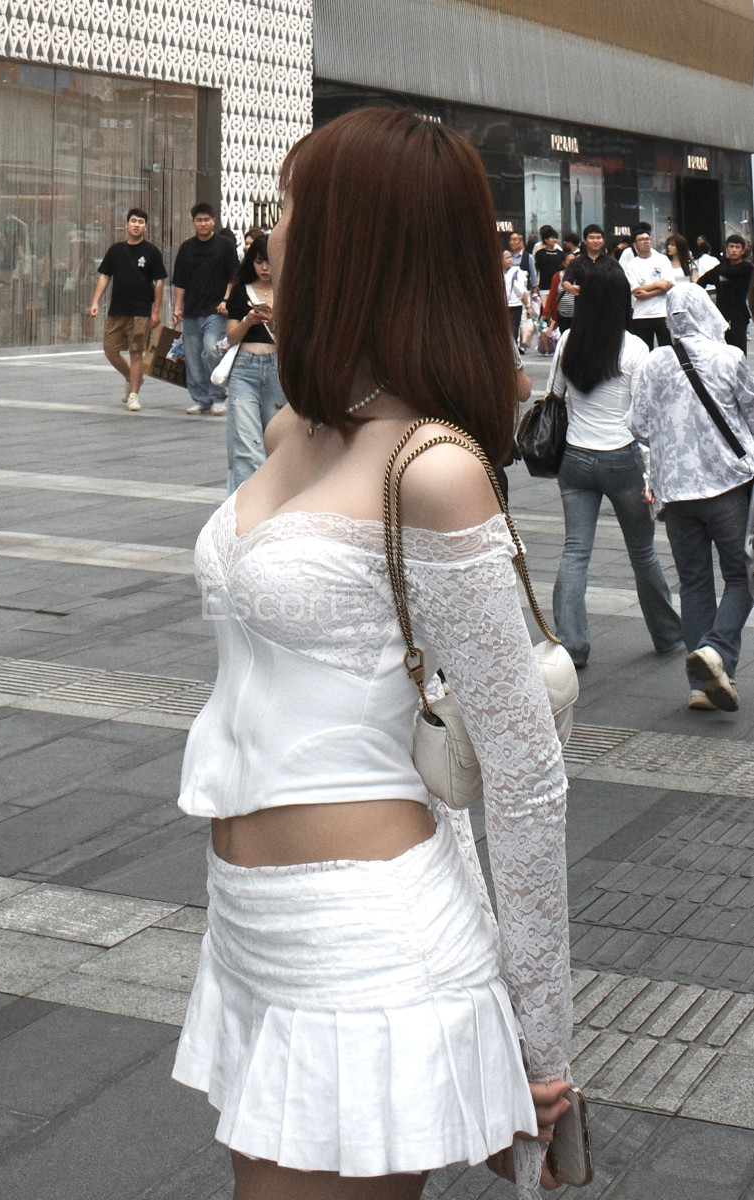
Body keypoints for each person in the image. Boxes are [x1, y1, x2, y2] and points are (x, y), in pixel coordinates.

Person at [172, 107, 571, 1200]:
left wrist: (539, 1043)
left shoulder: (435, 470)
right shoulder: (299, 425)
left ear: (358, 238)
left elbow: (526, 778)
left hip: (368, 944)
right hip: (249, 922)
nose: (272, 232)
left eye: (291, 208)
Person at [628, 284, 754, 711]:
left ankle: (701, 687)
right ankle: (717, 650)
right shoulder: (729, 357)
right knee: (743, 575)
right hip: (727, 486)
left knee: (695, 583)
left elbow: (638, 425)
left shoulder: (656, 361)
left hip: (676, 492)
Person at [548, 266, 682, 667]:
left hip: (575, 458)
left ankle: (572, 644)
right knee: (642, 552)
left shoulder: (568, 340)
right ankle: (667, 634)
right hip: (621, 458)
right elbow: (643, 419)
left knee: (575, 551)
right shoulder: (635, 348)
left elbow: (555, 394)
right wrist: (651, 474)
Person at [224, 235, 287, 490]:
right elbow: (231, 337)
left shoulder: (287, 292)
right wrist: (248, 321)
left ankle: (272, 494)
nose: (264, 268)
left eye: (269, 262)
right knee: (247, 442)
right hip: (245, 367)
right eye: (259, 261)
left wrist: (273, 321)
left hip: (276, 368)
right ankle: (247, 499)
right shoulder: (241, 292)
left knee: (276, 438)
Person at [89, 208, 166, 412]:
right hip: (117, 310)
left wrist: (156, 311)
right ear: (126, 224)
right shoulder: (115, 250)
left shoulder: (152, 252)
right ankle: (132, 377)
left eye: (141, 222)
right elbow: (105, 276)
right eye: (133, 221)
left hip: (141, 311)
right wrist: (95, 301)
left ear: (146, 227)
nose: (136, 225)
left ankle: (134, 395)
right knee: (110, 350)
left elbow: (159, 282)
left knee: (136, 352)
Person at [172, 202, 239, 415]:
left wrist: (226, 300)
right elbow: (180, 281)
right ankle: (201, 399)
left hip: (216, 309)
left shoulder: (225, 245)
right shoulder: (186, 248)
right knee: (192, 357)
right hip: (192, 310)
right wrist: (178, 307)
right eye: (199, 220)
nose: (203, 224)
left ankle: (219, 396)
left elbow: (233, 276)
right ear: (193, 222)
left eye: (207, 220)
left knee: (211, 349)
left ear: (213, 221)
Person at [697, 235, 753, 354]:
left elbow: (732, 272)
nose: (734, 250)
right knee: (722, 349)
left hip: (739, 315)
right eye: (731, 247)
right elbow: (702, 281)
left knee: (739, 350)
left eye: (737, 247)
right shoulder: (719, 268)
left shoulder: (747, 268)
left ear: (743, 250)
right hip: (721, 315)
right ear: (727, 248)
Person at [622, 228, 673, 348]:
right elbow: (636, 290)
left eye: (647, 239)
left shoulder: (662, 259)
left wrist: (647, 294)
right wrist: (657, 284)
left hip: (662, 312)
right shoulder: (631, 265)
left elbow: (667, 285)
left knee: (667, 349)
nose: (645, 242)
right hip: (641, 314)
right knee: (644, 350)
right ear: (635, 244)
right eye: (641, 240)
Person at [561, 224, 611, 300]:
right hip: (583, 303)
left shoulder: (611, 262)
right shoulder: (577, 262)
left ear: (603, 241)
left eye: (599, 238)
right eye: (592, 238)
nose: (595, 241)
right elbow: (566, 281)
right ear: (585, 241)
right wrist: (571, 288)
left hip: (606, 303)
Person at [502, 247, 530, 346]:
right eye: (507, 258)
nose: (510, 260)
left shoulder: (517, 272)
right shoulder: (498, 274)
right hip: (503, 305)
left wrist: (528, 306)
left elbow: (522, 291)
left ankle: (513, 349)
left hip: (516, 305)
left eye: (510, 257)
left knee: (514, 329)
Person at [534, 226, 565, 306]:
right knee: (546, 308)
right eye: (552, 238)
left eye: (555, 238)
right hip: (544, 286)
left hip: (558, 285)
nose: (554, 240)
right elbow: (536, 270)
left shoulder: (560, 253)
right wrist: (536, 285)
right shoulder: (539, 253)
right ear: (546, 240)